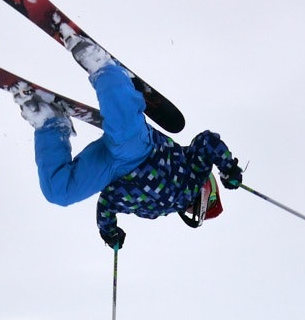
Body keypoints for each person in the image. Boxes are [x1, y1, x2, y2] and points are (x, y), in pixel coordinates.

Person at [15, 37, 243, 250]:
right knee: (124, 131)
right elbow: (207, 141)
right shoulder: (196, 171)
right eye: (204, 206)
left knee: (60, 192)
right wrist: (228, 166)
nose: (193, 211)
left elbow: (109, 201)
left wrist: (109, 231)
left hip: (111, 171)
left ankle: (50, 122)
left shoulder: (154, 211)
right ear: (208, 191)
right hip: (142, 151)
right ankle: (104, 69)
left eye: (195, 215)